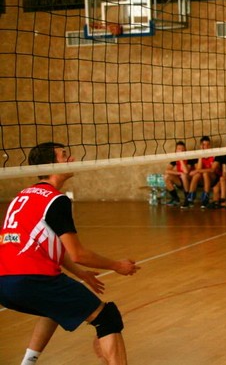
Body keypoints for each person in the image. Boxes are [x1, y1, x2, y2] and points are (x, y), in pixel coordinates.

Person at [0, 142, 140, 365]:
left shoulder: (22, 196)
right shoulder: (56, 200)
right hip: (32, 279)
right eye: (64, 155)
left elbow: (49, 245)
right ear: (50, 165)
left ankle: (27, 362)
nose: (72, 159)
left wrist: (80, 274)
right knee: (107, 318)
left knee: (54, 307)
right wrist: (117, 266)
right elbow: (78, 254)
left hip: (4, 283)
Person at [183, 135, 220, 209]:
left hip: (213, 179)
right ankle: (190, 198)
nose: (206, 147)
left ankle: (205, 198)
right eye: (203, 145)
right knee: (197, 175)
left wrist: (197, 170)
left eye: (207, 145)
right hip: (202, 179)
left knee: (204, 173)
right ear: (200, 146)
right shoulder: (197, 155)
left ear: (210, 145)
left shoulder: (215, 155)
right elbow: (199, 168)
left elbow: (212, 170)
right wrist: (201, 155)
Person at [164, 140, 194, 207]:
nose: (181, 150)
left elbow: (186, 171)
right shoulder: (175, 159)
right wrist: (178, 173)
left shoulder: (189, 158)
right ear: (176, 150)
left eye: (182, 149)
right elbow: (166, 170)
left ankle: (187, 199)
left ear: (185, 150)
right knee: (166, 176)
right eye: (179, 149)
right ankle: (175, 199)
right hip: (179, 181)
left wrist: (181, 159)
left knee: (184, 175)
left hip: (189, 181)